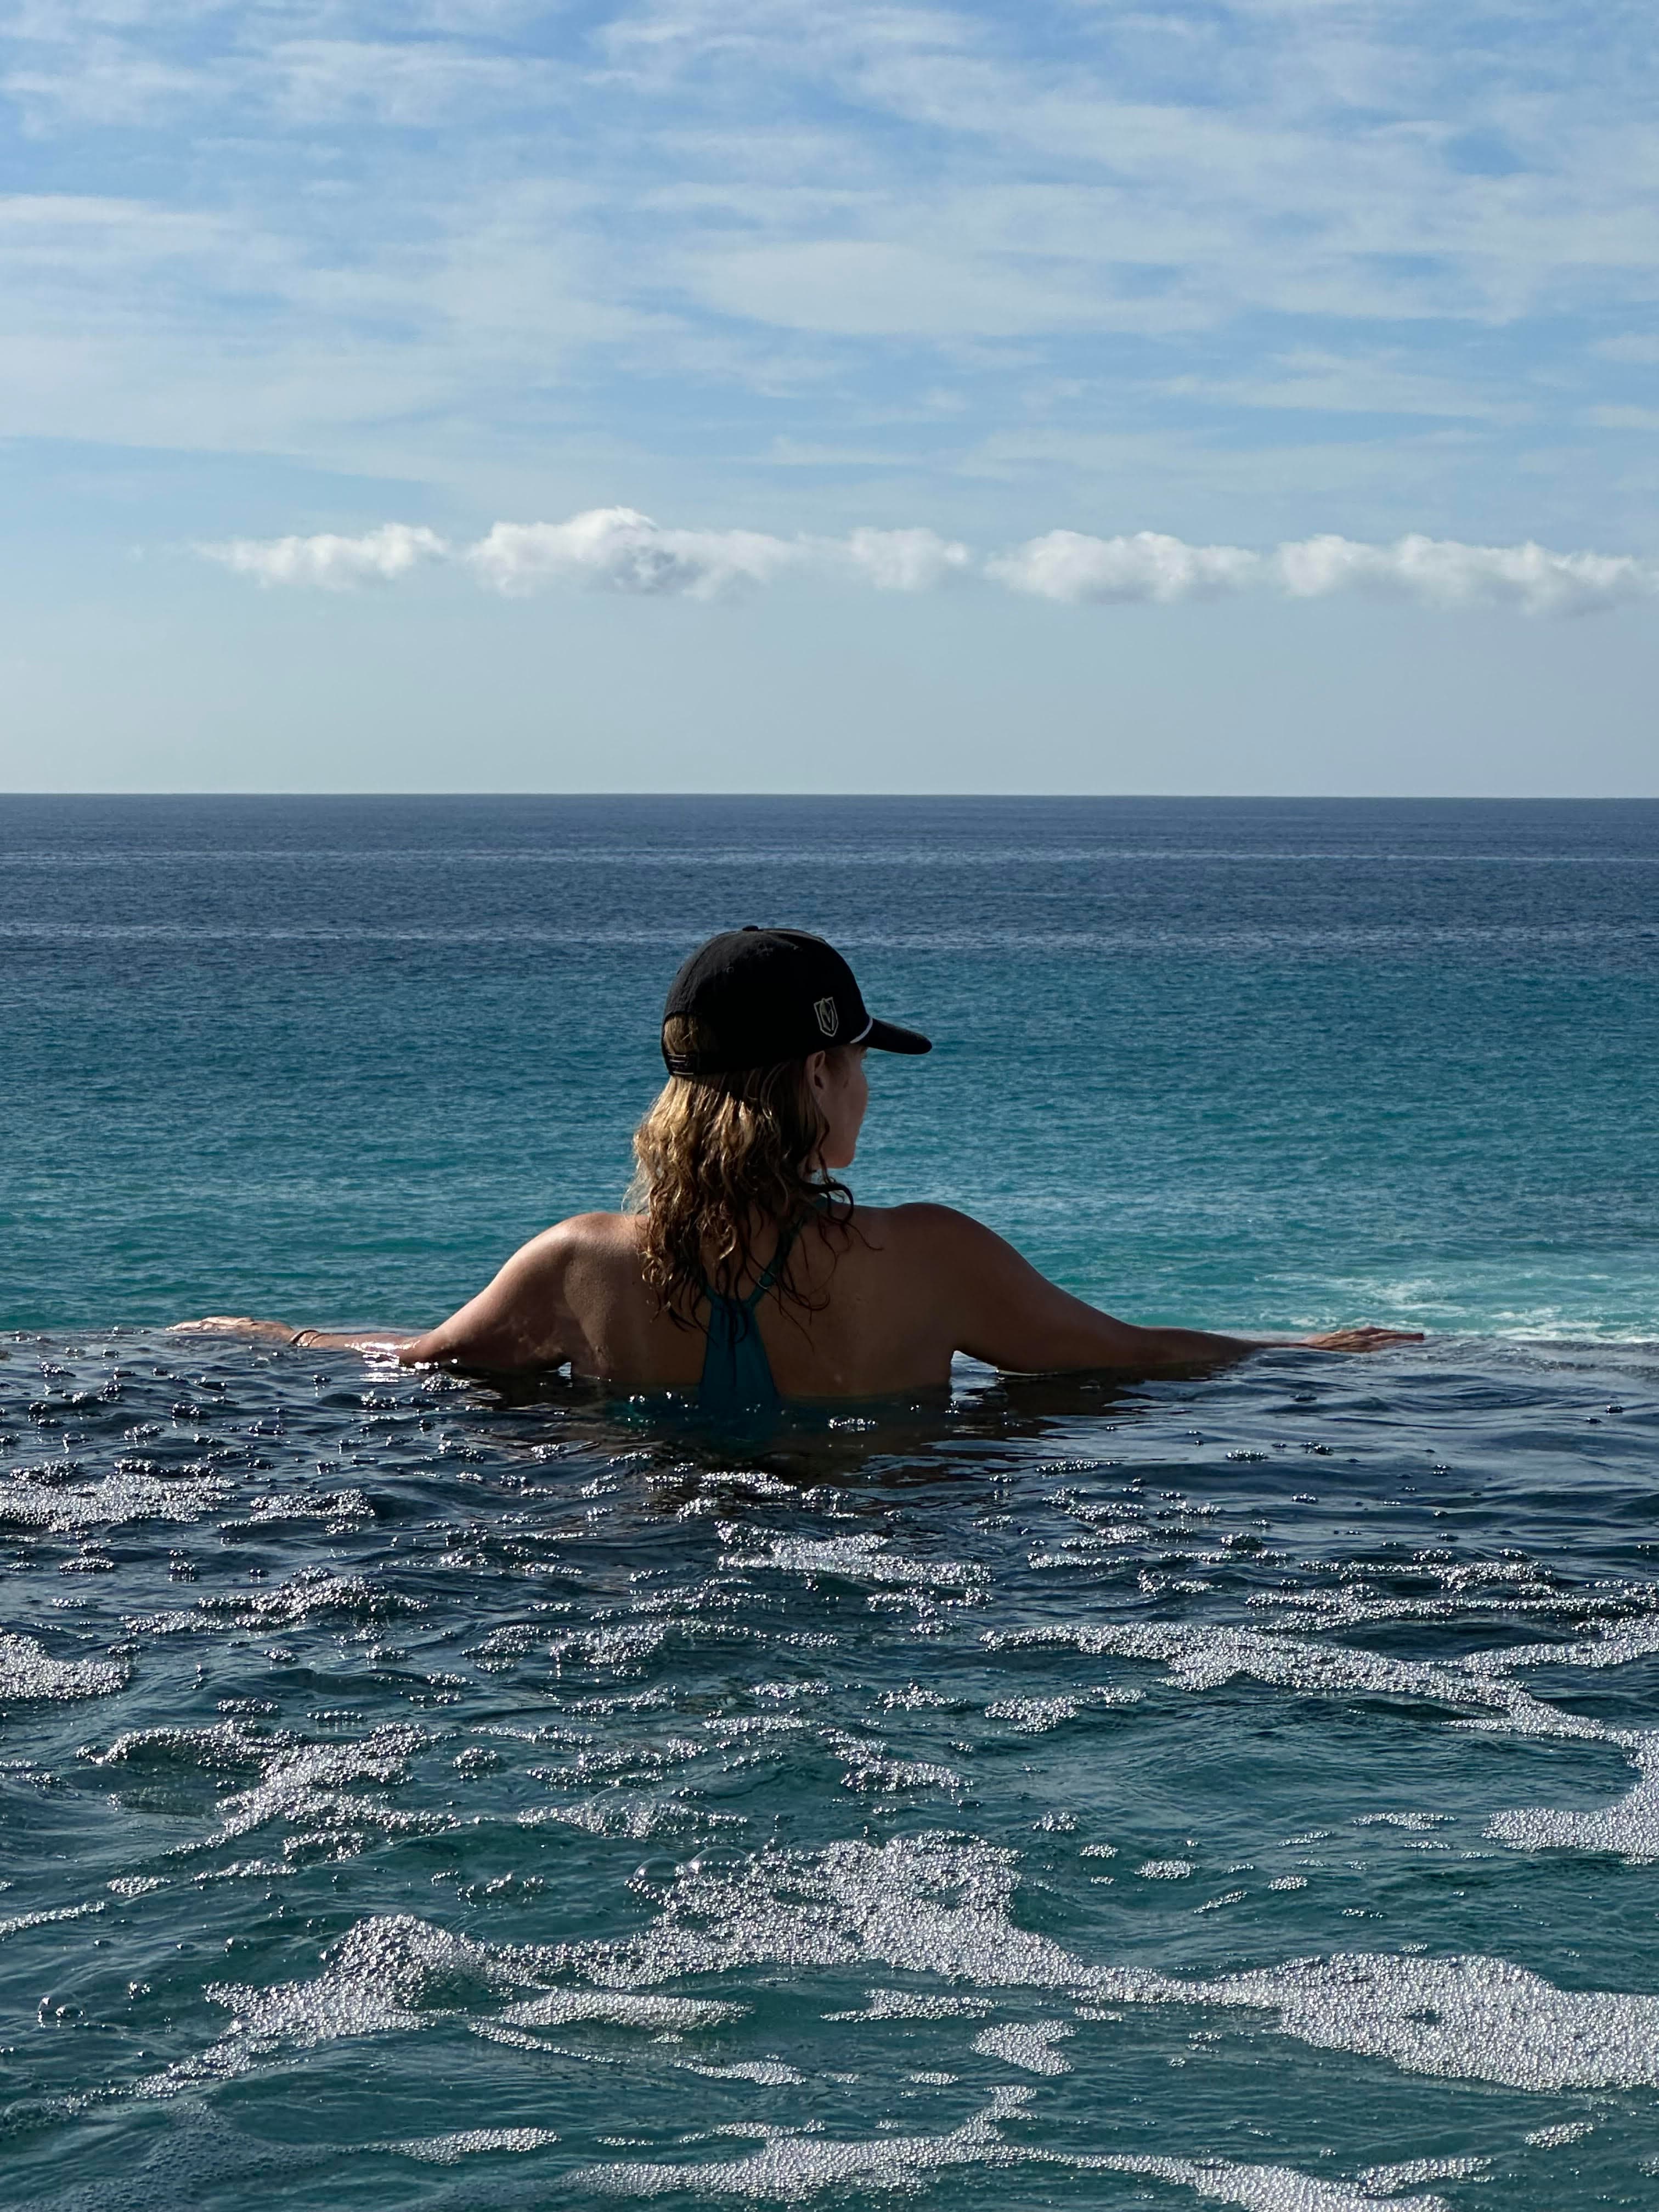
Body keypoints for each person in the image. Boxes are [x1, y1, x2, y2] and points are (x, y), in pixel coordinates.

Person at [177, 927, 1419, 1407]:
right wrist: (1309, 1352)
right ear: (819, 1076)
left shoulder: (576, 1266)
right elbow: (1131, 1353)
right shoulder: (930, 1260)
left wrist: (270, 1334)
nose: (869, 1090)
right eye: (863, 1066)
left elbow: (413, 1363)